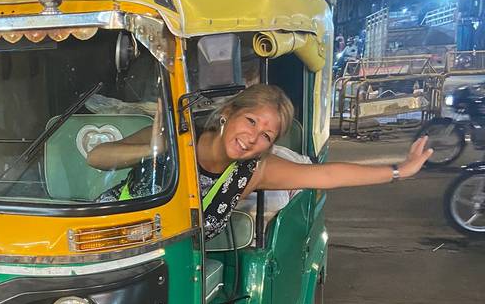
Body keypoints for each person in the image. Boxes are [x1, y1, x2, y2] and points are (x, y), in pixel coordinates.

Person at [87, 83, 433, 240]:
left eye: (267, 135)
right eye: (251, 121)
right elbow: (98, 157)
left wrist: (400, 170)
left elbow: (327, 174)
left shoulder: (253, 171)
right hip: (103, 235)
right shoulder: (173, 138)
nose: (253, 137)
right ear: (228, 114)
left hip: (173, 265)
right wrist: (154, 150)